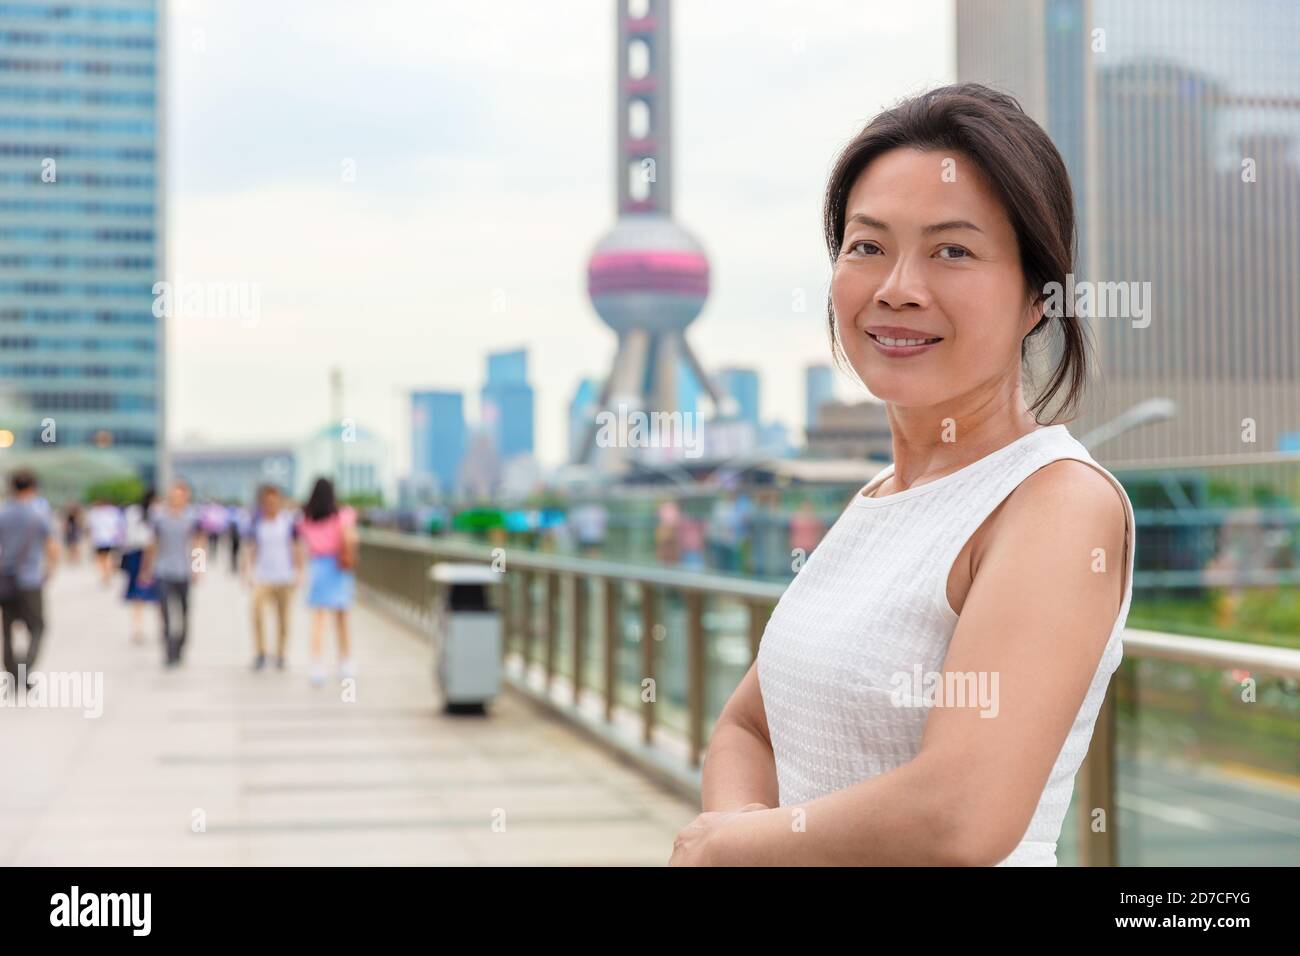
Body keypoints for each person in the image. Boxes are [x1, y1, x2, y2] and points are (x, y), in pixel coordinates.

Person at [677, 84, 1135, 867]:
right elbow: (748, 727)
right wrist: (742, 838)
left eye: (953, 250)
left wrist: (731, 851)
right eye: (868, 246)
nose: (898, 288)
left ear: (1037, 295)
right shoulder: (878, 501)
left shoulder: (1056, 504)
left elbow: (960, 817)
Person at [0, 469, 59, 687]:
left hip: (5, 578)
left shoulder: (3, 513)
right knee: (37, 627)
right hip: (30, 579)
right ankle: (24, 668)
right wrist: (51, 568)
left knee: (7, 629)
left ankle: (12, 670)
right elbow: (52, 546)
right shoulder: (38, 514)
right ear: (33, 488)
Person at [297, 478, 358, 686]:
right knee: (341, 618)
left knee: (318, 619)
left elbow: (302, 543)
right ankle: (345, 661)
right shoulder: (342, 514)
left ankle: (317, 665)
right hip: (338, 566)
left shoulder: (306, 517)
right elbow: (350, 539)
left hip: (318, 566)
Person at [141, 480, 204, 667]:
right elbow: (153, 543)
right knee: (165, 613)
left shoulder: (192, 517)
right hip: (163, 570)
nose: (176, 499)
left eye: (180, 496)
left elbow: (198, 542)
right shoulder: (159, 517)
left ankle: (181, 645)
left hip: (184, 570)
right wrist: (146, 568)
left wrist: (198, 568)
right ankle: (168, 650)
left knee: (184, 613)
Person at [244, 484, 301, 671]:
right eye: (267, 501)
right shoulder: (257, 523)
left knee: (283, 618)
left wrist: (298, 571)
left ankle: (281, 653)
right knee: (256, 612)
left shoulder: (288, 522)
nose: (271, 504)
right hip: (262, 576)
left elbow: (296, 548)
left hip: (284, 576)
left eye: (275, 501)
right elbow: (251, 548)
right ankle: (261, 652)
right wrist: (248, 571)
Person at [119, 488, 160, 644]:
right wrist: (199, 568)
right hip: (150, 555)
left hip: (134, 554)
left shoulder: (132, 512)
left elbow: (124, 535)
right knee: (157, 595)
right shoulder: (158, 512)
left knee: (137, 595)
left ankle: (137, 629)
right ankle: (161, 629)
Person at [86, 498, 123, 585]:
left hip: (102, 539)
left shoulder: (95, 513)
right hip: (109, 539)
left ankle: (106, 573)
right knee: (107, 557)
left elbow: (90, 526)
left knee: (103, 558)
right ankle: (107, 573)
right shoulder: (112, 511)